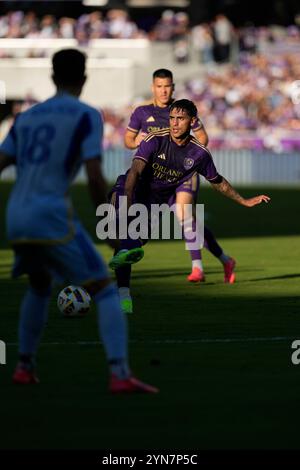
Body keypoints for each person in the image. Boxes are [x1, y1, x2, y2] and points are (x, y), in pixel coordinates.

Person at [0, 49, 157, 394]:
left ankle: (24, 366)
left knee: (40, 285)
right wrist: (111, 225)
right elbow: (95, 175)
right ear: (84, 79)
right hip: (50, 213)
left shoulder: (26, 117)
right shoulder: (86, 115)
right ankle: (119, 373)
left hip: (17, 215)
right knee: (105, 290)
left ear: (52, 77)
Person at [110, 99, 270, 313]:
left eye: (181, 119)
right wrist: (127, 205)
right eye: (172, 118)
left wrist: (244, 200)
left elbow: (218, 181)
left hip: (155, 203)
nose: (175, 123)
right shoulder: (155, 140)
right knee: (124, 227)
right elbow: (135, 172)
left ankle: (124, 266)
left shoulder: (199, 154)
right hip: (130, 188)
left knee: (130, 247)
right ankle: (124, 295)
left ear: (192, 121)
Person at [124, 69, 236, 293]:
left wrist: (188, 153)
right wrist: (138, 141)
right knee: (178, 224)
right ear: (153, 87)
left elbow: (203, 137)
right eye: (159, 86)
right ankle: (225, 259)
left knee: (184, 214)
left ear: (173, 87)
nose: (163, 90)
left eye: (167, 86)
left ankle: (198, 268)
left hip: (183, 174)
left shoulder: (183, 110)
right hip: (155, 177)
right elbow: (128, 139)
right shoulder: (142, 112)